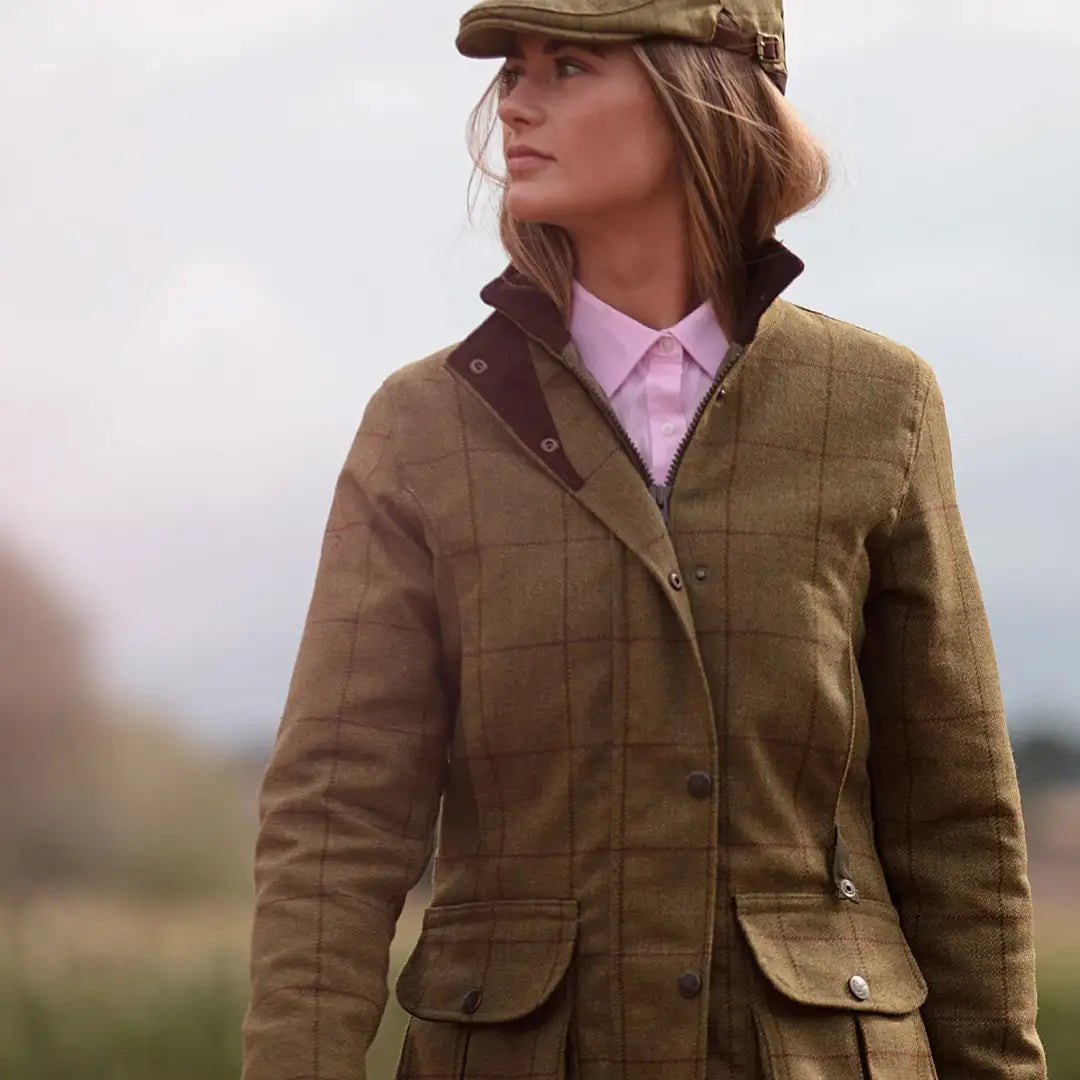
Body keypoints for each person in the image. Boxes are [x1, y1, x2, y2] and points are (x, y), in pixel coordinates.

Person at [240, 2, 1047, 1078]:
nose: (516, 105)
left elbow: (956, 815)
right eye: (514, 71)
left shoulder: (876, 402)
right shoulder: (426, 425)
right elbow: (339, 821)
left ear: (698, 96)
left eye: (568, 67)